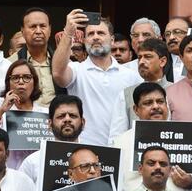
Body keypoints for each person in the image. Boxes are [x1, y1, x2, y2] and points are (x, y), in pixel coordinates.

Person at [52, 9, 141, 146]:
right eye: (90, 34)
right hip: (84, 150)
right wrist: (68, 32)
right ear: (85, 40)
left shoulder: (132, 76)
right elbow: (58, 74)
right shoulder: (77, 70)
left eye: (100, 33)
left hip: (122, 149)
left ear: (111, 40)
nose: (95, 37)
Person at [113, 83, 192, 191]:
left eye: (160, 101)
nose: (155, 106)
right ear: (136, 110)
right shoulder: (121, 142)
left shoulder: (187, 138)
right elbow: (117, 186)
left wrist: (191, 182)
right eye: (148, 103)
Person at [0, 59, 47, 169]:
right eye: (15, 78)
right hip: (8, 171)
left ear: (35, 82)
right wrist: (0, 112)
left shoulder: (45, 114)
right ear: (8, 84)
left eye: (27, 77)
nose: (21, 81)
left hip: (38, 172)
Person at [109, 38, 171, 142]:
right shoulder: (126, 94)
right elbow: (116, 137)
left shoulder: (178, 91)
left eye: (147, 57)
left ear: (162, 61)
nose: (141, 62)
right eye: (139, 58)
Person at [19, 94, 85, 184]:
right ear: (49, 124)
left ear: (83, 122)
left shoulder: (96, 161)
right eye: (61, 116)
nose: (67, 119)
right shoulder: (32, 162)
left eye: (73, 116)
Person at [8, 7, 66, 107]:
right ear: (22, 31)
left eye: (43, 26)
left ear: (50, 29)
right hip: (24, 120)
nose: (38, 31)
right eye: (33, 26)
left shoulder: (62, 63)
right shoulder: (10, 63)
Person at [120, 146, 192, 191]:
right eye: (151, 163)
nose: (158, 167)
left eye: (163, 164)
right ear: (140, 169)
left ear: (170, 170)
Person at [164, 16, 192, 82]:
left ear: (190, 34)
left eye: (177, 32)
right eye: (167, 34)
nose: (171, 37)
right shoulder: (160, 63)